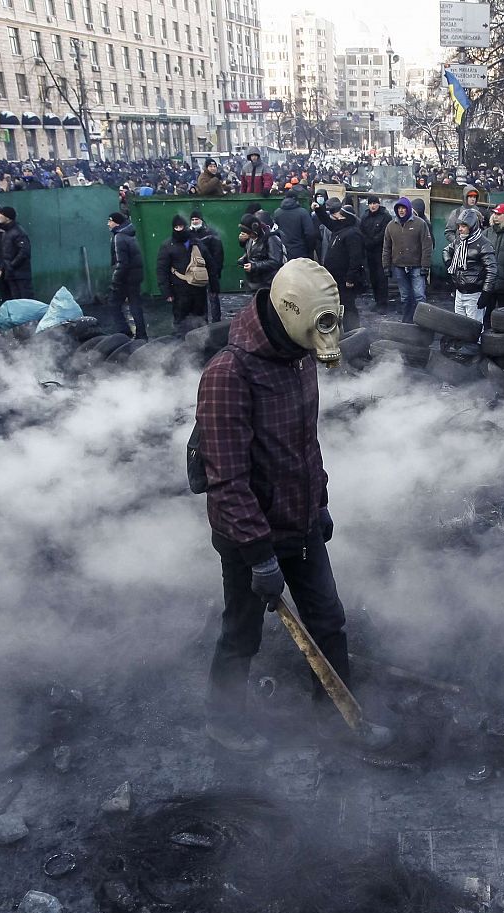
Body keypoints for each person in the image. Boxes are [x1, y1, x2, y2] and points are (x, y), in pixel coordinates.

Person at [194, 258, 390, 755]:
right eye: (319, 324)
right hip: (248, 536)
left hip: (300, 523)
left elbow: (306, 443)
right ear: (289, 311)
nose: (325, 336)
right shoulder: (228, 374)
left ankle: (334, 715)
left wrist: (318, 503)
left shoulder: (301, 355)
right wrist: (259, 554)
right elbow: (227, 479)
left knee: (327, 619)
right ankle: (223, 720)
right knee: (242, 632)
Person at [445, 207, 495, 332]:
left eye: (464, 226)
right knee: (459, 328)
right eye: (459, 226)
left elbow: (492, 270)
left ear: (472, 226)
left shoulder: (484, 244)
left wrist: (485, 293)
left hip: (474, 294)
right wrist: (449, 263)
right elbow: (446, 250)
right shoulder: (459, 241)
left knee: (474, 330)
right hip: (459, 292)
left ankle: (475, 350)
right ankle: (462, 351)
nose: (460, 229)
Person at [382, 197, 432, 324]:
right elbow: (386, 247)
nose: (401, 211)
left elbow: (427, 245)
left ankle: (423, 322)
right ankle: (407, 322)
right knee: (405, 297)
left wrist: (425, 266)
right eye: (399, 208)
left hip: (417, 266)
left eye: (404, 208)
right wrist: (386, 266)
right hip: (399, 266)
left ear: (408, 209)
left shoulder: (420, 224)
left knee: (419, 296)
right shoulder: (391, 226)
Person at [158, 214, 210, 327]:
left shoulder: (196, 242)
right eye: (176, 227)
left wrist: (214, 285)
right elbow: (162, 270)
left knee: (200, 319)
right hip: (179, 290)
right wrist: (166, 292)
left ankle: (202, 341)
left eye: (181, 227)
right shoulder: (167, 246)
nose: (179, 230)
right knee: (181, 320)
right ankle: (182, 341)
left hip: (198, 289)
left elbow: (209, 263)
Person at [320, 202, 366, 327]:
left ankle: (353, 330)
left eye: (341, 215)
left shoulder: (353, 234)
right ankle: (342, 328)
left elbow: (355, 258)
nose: (337, 216)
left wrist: (350, 277)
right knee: (338, 303)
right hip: (335, 276)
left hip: (345, 278)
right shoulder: (340, 229)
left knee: (348, 305)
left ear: (346, 218)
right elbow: (327, 221)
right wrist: (319, 209)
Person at [107, 211, 147, 339]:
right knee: (135, 305)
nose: (108, 223)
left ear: (116, 222)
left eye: (110, 221)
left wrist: (115, 281)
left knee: (114, 304)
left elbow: (122, 263)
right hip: (135, 277)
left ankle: (124, 332)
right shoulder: (129, 234)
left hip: (125, 278)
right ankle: (141, 335)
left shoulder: (119, 237)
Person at [0, 205, 33, 300]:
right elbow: (6, 253)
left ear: (7, 217)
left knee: (26, 300)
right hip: (11, 274)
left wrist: (11, 265)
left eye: (1, 214)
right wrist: (2, 267)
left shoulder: (18, 232)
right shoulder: (6, 233)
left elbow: (24, 252)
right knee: (15, 300)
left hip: (21, 274)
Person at [189, 210, 226, 322]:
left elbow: (218, 253)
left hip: (209, 270)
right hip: (195, 271)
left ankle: (216, 321)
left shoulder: (210, 234)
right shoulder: (188, 234)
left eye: (197, 219)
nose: (195, 221)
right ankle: (203, 320)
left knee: (213, 296)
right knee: (199, 297)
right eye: (193, 219)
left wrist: (216, 270)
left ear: (201, 220)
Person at [359, 195, 390, 313]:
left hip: (381, 251)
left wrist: (373, 241)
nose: (372, 206)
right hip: (369, 252)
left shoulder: (385, 216)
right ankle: (377, 301)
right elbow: (361, 231)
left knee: (381, 277)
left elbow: (384, 233)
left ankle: (383, 303)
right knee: (373, 278)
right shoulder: (365, 216)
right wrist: (367, 242)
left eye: (374, 203)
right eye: (370, 203)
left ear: (379, 204)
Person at [238, 212, 285, 291]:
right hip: (255, 283)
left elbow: (275, 262)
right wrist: (243, 259)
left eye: (249, 233)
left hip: (267, 283)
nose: (248, 236)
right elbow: (252, 253)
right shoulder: (251, 239)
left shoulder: (271, 239)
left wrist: (254, 266)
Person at [274, 191, 319, 261]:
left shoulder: (277, 213)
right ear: (296, 200)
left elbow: (275, 232)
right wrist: (310, 249)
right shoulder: (303, 212)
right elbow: (310, 234)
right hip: (301, 252)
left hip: (283, 253)